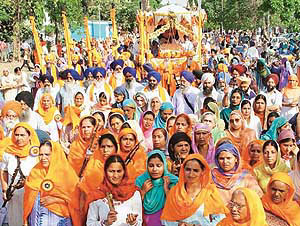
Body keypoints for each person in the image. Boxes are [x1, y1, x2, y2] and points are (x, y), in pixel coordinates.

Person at [23, 141, 80, 226]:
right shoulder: (35, 172)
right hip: (35, 219)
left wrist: (56, 199)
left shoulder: (67, 173)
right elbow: (28, 198)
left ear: (55, 155)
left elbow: (76, 200)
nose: (43, 158)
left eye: (47, 154)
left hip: (60, 219)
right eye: (41, 154)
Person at [160, 154, 228, 225]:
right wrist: (178, 224)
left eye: (195, 170)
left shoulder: (209, 191)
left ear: (202, 171)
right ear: (183, 170)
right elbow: (166, 219)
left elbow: (220, 218)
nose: (191, 174)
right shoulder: (175, 192)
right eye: (188, 169)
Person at [0, 123, 40, 226]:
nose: (19, 138)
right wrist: (5, 190)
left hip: (31, 195)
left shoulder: (36, 153)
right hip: (14, 195)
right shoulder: (8, 153)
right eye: (16, 135)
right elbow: (3, 171)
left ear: (29, 136)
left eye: (22, 135)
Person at [86, 154, 143, 225]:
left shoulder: (133, 193)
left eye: (119, 171)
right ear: (105, 172)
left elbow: (139, 222)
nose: (115, 176)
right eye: (111, 171)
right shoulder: (97, 195)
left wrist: (133, 223)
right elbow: (90, 223)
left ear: (124, 172)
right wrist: (105, 223)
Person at [135, 150, 178, 226]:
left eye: (158, 166)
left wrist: (166, 189)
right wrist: (143, 192)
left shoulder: (172, 181)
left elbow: (175, 206)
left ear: (164, 165)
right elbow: (133, 206)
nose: (155, 169)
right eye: (151, 166)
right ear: (146, 166)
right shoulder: (140, 181)